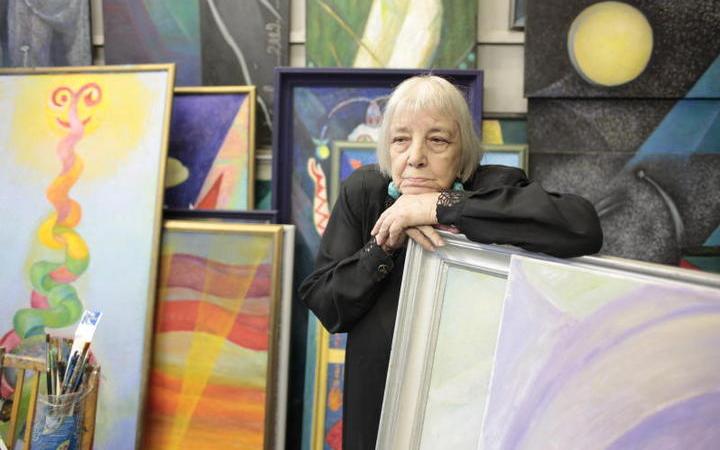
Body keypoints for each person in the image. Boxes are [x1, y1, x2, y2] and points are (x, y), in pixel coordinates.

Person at [299, 75, 603, 450]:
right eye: (400, 139)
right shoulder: (365, 192)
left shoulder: (493, 185)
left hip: (471, 408)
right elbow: (326, 304)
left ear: (462, 154)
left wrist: (439, 206)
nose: (415, 157)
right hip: (379, 409)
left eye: (438, 140)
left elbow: (581, 227)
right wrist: (382, 247)